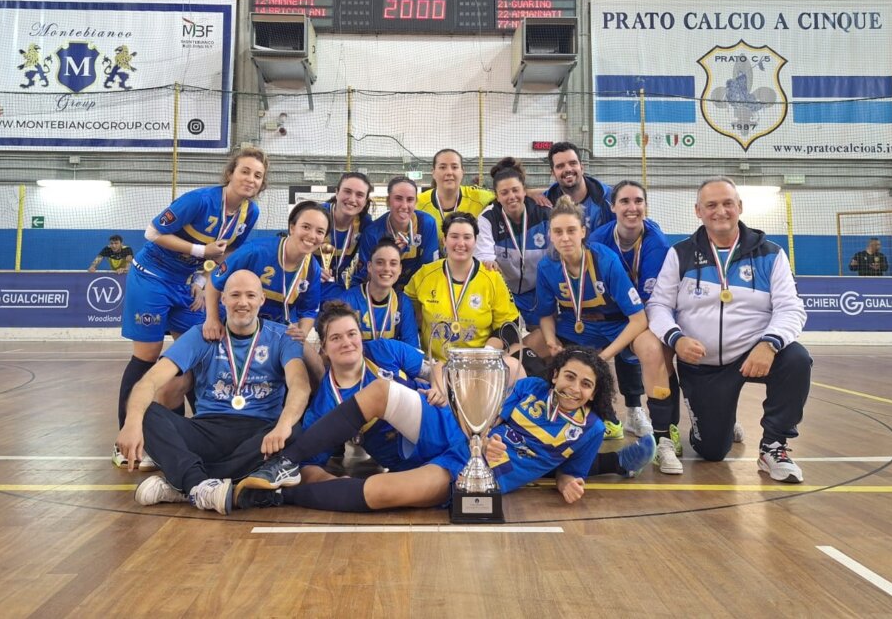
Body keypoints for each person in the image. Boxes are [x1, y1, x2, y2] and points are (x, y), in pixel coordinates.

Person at [235, 348, 654, 513]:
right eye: (569, 377)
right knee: (383, 390)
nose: (573, 388)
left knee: (385, 495)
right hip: (458, 433)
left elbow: (570, 470)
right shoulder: (528, 387)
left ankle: (284, 493)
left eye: (586, 384)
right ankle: (283, 464)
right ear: (556, 373)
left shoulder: (592, 429)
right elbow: (488, 415)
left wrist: (568, 482)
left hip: (481, 476)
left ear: (597, 393)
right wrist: (485, 435)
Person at [647, 177, 812, 483]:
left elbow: (792, 308)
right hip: (703, 365)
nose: (720, 211)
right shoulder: (680, 254)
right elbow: (657, 306)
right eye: (711, 205)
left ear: (740, 207)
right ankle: (717, 422)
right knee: (711, 451)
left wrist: (769, 344)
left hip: (753, 353)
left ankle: (773, 446)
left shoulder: (770, 253)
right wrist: (676, 339)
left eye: (727, 203)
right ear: (698, 211)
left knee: (797, 359)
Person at [114, 147, 266, 468]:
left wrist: (201, 280)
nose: (250, 179)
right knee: (147, 357)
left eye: (257, 175)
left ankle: (186, 437)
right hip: (152, 277)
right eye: (245, 171)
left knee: (198, 354)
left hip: (186, 283)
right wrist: (201, 249)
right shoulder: (198, 200)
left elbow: (224, 255)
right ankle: (125, 439)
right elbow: (153, 232)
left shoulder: (249, 214)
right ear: (230, 174)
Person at [122, 269, 310, 514]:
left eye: (251, 296)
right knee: (146, 411)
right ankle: (201, 486)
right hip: (207, 429)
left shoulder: (281, 336)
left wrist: (283, 425)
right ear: (223, 300)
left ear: (262, 300)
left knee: (293, 428)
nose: (243, 303)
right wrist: (132, 422)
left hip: (258, 433)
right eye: (235, 295)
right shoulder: (201, 335)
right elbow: (149, 382)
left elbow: (300, 384)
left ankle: (186, 485)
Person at [535, 196, 650, 440]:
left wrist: (603, 357)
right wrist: (550, 340)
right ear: (551, 236)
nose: (565, 238)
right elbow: (546, 315)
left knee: (638, 346)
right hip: (575, 325)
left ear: (583, 232)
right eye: (558, 232)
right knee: (528, 349)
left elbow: (639, 320)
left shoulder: (605, 260)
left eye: (571, 230)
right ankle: (549, 407)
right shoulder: (547, 266)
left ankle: (634, 409)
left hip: (614, 324)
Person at [591, 180, 685, 473]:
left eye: (638, 201)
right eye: (625, 202)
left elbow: (649, 304)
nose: (632, 208)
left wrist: (630, 326)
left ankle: (663, 436)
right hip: (605, 314)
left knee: (653, 350)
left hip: (640, 314)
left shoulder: (657, 244)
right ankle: (594, 421)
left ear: (645, 205)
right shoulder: (597, 239)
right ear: (613, 207)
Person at [297, 301, 434, 482]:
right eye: (336, 338)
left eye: (352, 334)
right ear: (324, 348)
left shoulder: (384, 350)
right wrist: (333, 482)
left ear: (361, 337)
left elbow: (434, 371)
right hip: (412, 467)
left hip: (437, 421)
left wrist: (439, 388)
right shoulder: (324, 405)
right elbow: (306, 465)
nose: (347, 343)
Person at [205, 201, 329, 376]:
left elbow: (309, 311)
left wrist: (302, 332)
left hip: (275, 330)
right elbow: (214, 283)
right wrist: (212, 319)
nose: (312, 235)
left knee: (316, 368)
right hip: (234, 324)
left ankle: (313, 403)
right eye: (306, 227)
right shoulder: (255, 251)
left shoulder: (313, 268)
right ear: (292, 227)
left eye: (320, 231)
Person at [405, 212, 522, 365]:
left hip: (477, 367)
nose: (461, 243)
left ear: (475, 242)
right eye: (454, 236)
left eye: (467, 237)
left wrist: (487, 353)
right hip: (433, 366)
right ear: (444, 241)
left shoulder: (492, 278)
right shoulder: (425, 275)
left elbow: (509, 325)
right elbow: (405, 307)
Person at [476, 157, 551, 333]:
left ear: (525, 191)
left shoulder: (544, 213)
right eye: (504, 193)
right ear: (496, 196)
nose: (511, 197)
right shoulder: (487, 218)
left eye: (515, 190)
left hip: (538, 291)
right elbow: (483, 257)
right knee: (509, 337)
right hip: (505, 292)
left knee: (541, 338)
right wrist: (489, 263)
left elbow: (556, 256)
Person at [355, 177, 440, 290]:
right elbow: (366, 275)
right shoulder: (372, 233)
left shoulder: (427, 224)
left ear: (416, 202)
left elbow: (430, 269)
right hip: (382, 291)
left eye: (410, 200)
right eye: (398, 199)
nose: (404, 206)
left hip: (417, 290)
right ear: (388, 201)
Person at [340, 238, 420, 348]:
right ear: (369, 266)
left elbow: (412, 350)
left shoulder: (402, 303)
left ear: (400, 269)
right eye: (380, 263)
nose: (387, 268)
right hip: (355, 364)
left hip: (392, 365)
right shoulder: (347, 300)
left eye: (393, 263)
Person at [417, 148, 496, 250]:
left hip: (470, 262)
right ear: (433, 172)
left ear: (462, 171)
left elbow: (507, 196)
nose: (449, 172)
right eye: (442, 167)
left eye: (454, 167)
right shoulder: (418, 203)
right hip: (432, 263)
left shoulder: (480, 198)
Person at [321, 172, 375, 303]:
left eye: (359, 195)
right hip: (302, 283)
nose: (352, 199)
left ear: (366, 200)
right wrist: (311, 269)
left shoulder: (364, 223)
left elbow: (366, 264)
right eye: (347, 191)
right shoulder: (317, 214)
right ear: (337, 192)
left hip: (333, 288)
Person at [543, 141, 614, 232]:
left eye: (573, 163)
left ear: (581, 167)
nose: (568, 169)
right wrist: (529, 192)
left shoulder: (610, 198)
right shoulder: (544, 204)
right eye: (560, 166)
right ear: (553, 173)